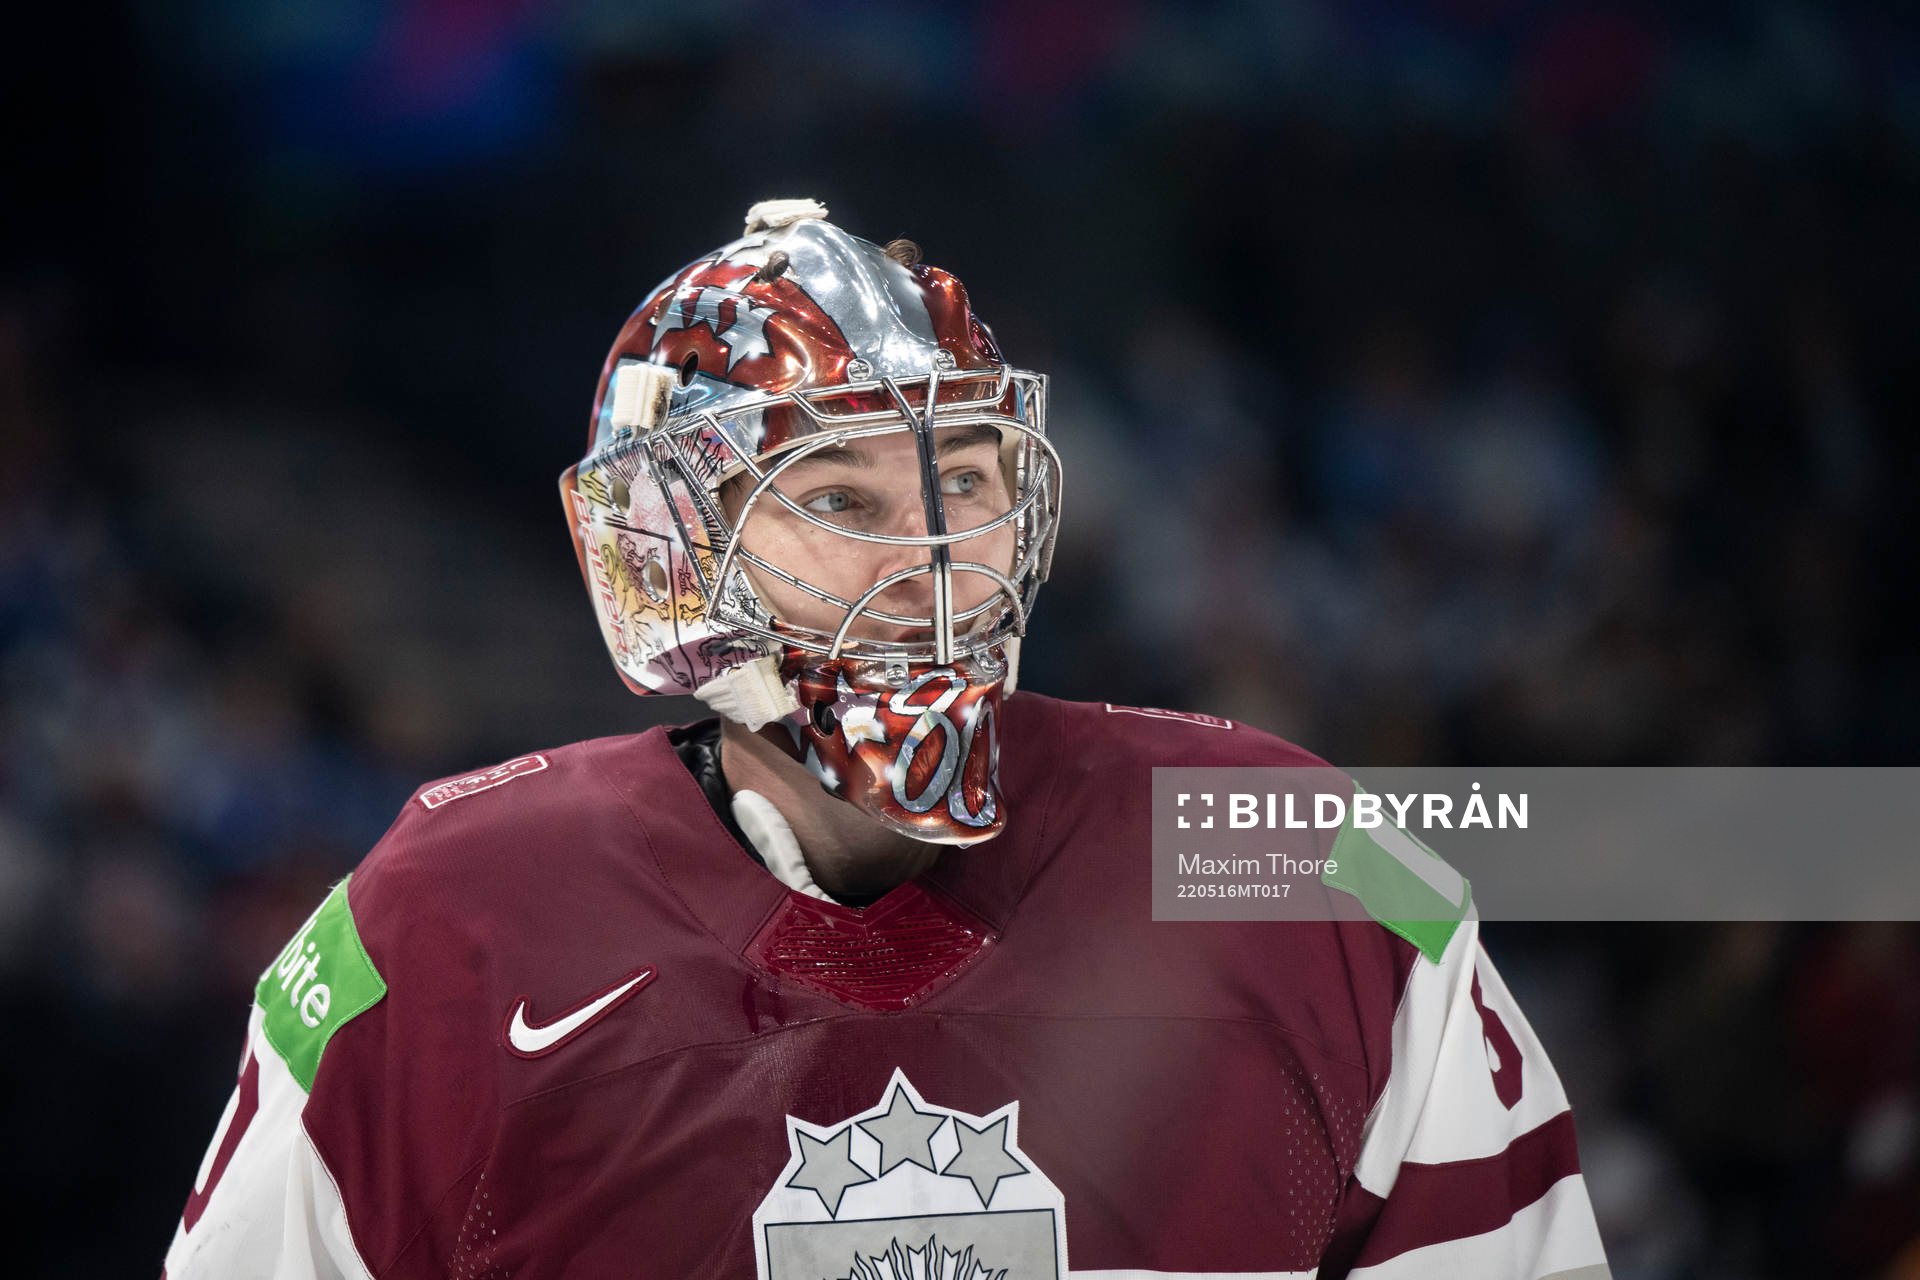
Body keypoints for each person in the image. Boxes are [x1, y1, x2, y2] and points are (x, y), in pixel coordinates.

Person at [163, 199, 1611, 1279]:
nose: (932, 556)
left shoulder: (1303, 872)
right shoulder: (441, 929)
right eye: (843, 501)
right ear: (669, 555)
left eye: (968, 481)